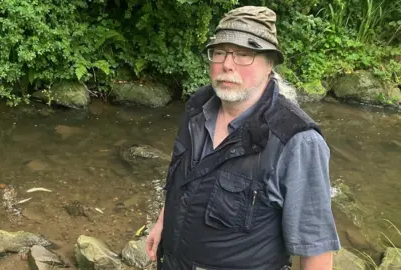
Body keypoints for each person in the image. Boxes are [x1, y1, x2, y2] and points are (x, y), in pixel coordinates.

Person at [145, 5, 341, 270]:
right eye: (219, 53)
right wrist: (162, 222)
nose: (227, 64)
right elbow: (181, 176)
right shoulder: (197, 106)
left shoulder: (297, 141)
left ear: (270, 63)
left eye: (244, 54)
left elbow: (315, 250)